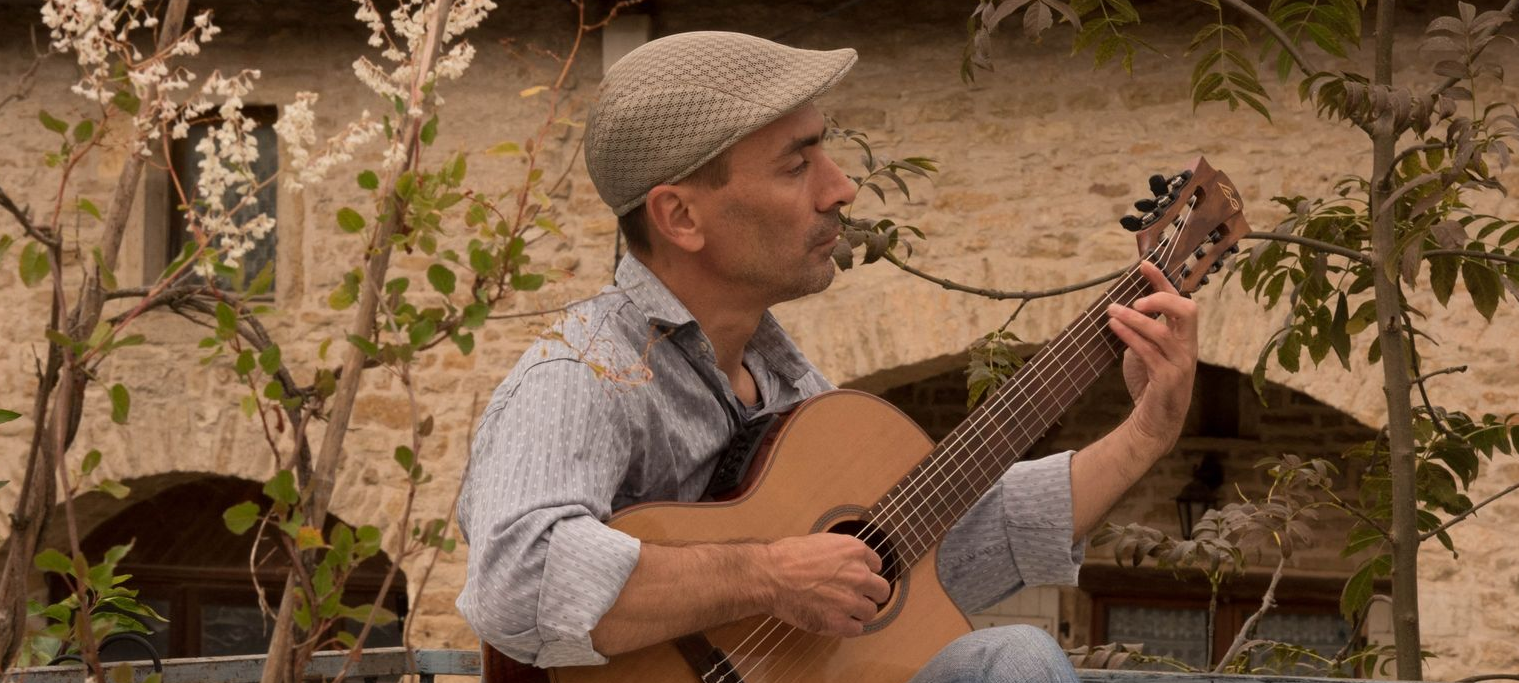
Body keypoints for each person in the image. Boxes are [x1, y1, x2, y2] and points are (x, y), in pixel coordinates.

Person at [455, 31, 1200, 682]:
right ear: (680, 216)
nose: (840, 188)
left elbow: (944, 550)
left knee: (1014, 660)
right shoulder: (581, 372)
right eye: (795, 164)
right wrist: (768, 574)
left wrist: (1146, 435)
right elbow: (518, 578)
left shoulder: (787, 381)